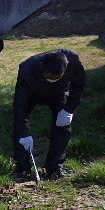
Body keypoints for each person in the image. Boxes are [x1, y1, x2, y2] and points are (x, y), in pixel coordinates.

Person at [11, 48, 86, 180]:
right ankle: (23, 168)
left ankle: (54, 167)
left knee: (62, 127)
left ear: (65, 69)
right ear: (41, 67)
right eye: (49, 77)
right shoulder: (26, 70)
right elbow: (19, 105)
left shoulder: (73, 62)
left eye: (56, 77)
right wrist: (23, 132)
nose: (52, 80)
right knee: (20, 129)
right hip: (31, 94)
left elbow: (78, 85)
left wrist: (69, 109)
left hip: (59, 93)